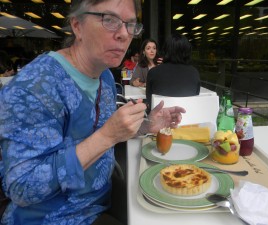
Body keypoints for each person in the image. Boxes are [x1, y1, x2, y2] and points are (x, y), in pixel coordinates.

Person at [0, 1, 185, 225]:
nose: (124, 34)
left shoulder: (105, 76)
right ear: (77, 26)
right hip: (58, 218)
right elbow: (22, 188)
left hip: (102, 201)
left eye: (130, 25)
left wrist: (146, 125)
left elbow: (102, 128)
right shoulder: (35, 86)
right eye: (110, 20)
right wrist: (107, 136)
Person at [146, 33, 201, 110]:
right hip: (188, 120)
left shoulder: (153, 72)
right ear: (187, 51)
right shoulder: (194, 73)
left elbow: (149, 102)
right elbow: (195, 97)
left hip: (160, 120)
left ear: (165, 50)